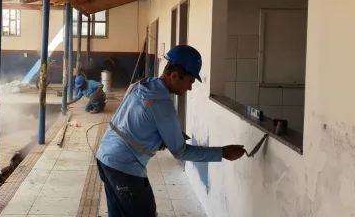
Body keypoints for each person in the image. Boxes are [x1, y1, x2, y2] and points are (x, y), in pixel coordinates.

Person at [96, 45, 246, 217]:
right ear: (174, 76)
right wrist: (223, 152)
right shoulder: (163, 106)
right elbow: (181, 152)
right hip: (124, 168)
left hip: (104, 158)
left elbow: (132, 121)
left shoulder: (141, 84)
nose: (189, 88)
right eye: (189, 81)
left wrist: (157, 139)